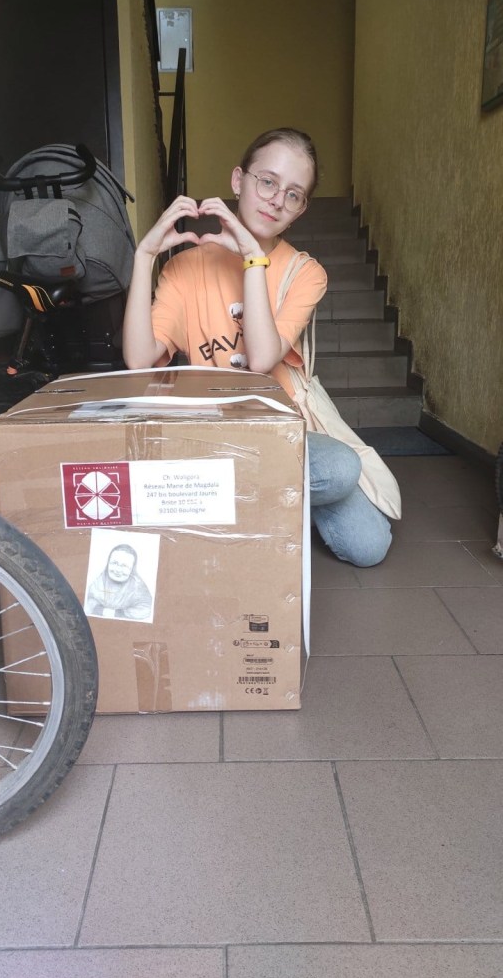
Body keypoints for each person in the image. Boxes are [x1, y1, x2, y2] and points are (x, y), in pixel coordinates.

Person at [122, 127, 392, 566]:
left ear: (301, 209)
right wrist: (143, 257)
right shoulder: (184, 269)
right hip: (213, 434)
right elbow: (138, 359)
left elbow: (262, 359)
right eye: (267, 181)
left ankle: (238, 504)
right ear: (238, 180)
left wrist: (253, 258)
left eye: (293, 194)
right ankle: (259, 503)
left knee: (364, 533)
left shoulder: (305, 272)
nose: (276, 200)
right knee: (329, 474)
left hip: (281, 435)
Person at [86, 544, 153, 620]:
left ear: (132, 568)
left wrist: (117, 613)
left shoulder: (138, 586)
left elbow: (146, 609)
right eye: (114, 563)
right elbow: (88, 603)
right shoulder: (98, 580)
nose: (118, 570)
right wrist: (99, 610)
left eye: (124, 566)